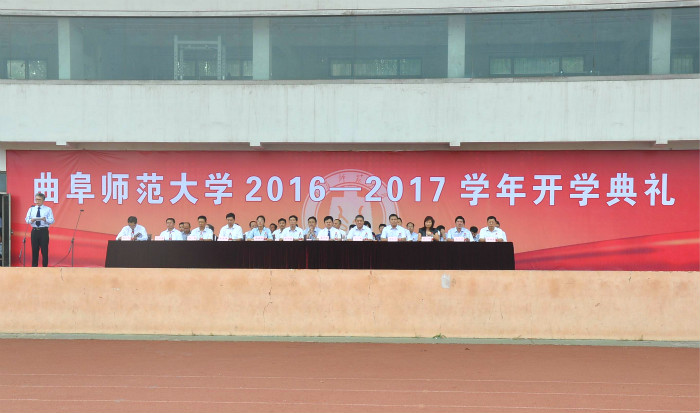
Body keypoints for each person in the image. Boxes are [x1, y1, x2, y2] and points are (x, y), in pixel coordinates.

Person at [25, 192, 54, 267]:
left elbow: (52, 220)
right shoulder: (31, 209)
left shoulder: (48, 209)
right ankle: (34, 267)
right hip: (34, 231)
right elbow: (27, 220)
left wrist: (45, 219)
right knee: (34, 250)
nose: (37, 201)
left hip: (43, 231)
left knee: (44, 250)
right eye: (36, 199)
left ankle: (45, 267)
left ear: (43, 200)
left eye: (39, 200)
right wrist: (31, 220)